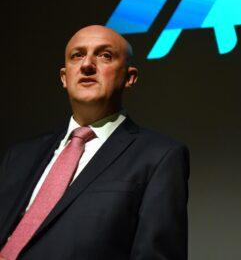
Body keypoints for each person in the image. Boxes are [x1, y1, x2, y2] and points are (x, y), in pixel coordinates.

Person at [0, 25, 189, 260]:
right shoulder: (19, 156)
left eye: (105, 56)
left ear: (129, 77)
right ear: (64, 78)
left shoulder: (160, 156)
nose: (87, 65)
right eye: (77, 55)